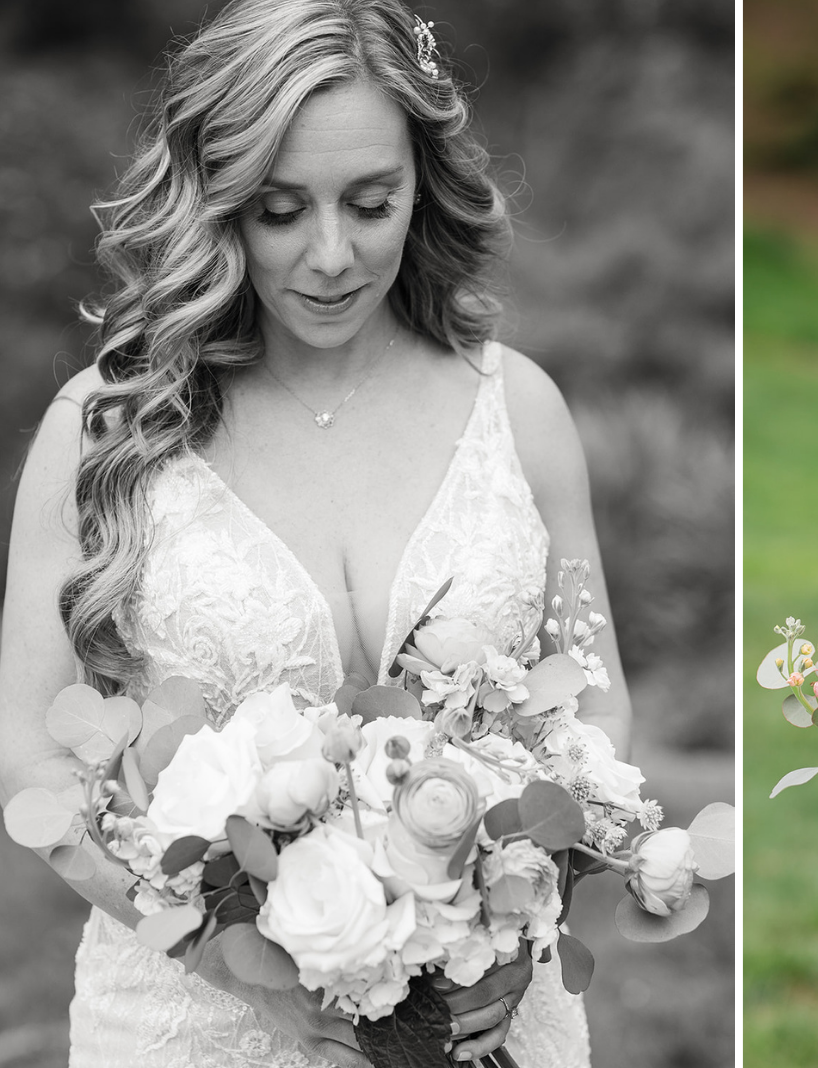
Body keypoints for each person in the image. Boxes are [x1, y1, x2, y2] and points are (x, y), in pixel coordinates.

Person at [0, 1, 628, 1065]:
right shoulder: (107, 429)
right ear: (215, 204)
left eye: (370, 203)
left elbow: (595, 697)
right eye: (281, 211)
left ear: (421, 187)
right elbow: (29, 759)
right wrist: (226, 961)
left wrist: (528, 913)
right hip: (192, 1022)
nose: (332, 256)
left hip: (492, 1021)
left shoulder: (518, 410)